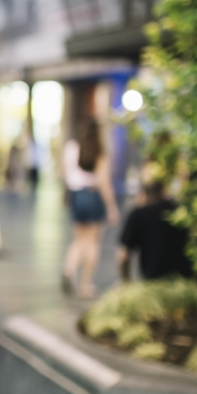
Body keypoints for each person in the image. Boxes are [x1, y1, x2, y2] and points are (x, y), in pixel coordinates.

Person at [61, 117, 120, 299]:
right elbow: (104, 182)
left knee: (79, 240)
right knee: (93, 242)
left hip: (76, 196)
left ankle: (69, 269)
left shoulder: (71, 147)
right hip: (93, 195)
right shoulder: (99, 151)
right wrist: (111, 207)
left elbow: (64, 172)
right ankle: (85, 285)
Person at [118, 176, 194, 282]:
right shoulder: (182, 214)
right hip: (185, 281)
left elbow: (123, 256)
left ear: (143, 193)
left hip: (153, 280)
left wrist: (126, 282)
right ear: (164, 191)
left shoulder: (138, 215)